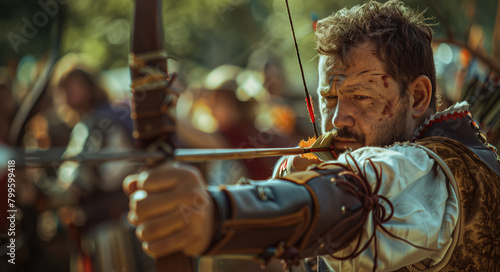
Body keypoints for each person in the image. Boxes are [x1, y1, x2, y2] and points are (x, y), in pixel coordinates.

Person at [124, 1, 500, 271]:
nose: (337, 118)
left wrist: (214, 216)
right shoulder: (339, 161)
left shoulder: (447, 174)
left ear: (417, 96)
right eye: (328, 99)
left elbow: (363, 191)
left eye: (360, 97)